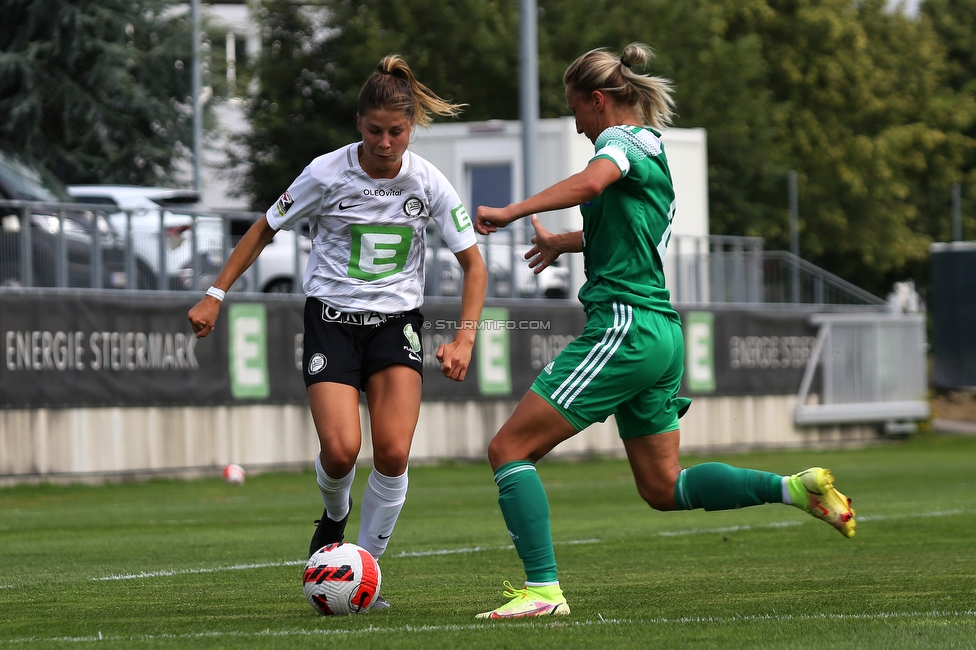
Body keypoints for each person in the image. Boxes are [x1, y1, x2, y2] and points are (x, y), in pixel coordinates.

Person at [472, 42, 856, 619]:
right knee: (664, 488)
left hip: (623, 326)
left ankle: (543, 591)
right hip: (659, 332)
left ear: (598, 100)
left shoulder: (618, 141)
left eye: (576, 109)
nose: (577, 125)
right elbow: (628, 231)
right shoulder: (656, 149)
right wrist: (562, 241)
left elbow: (592, 183)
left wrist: (513, 211)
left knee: (508, 449)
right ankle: (794, 489)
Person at [188, 54, 488, 610]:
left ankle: (365, 574)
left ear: (412, 127)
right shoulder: (326, 172)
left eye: (396, 131)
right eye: (374, 130)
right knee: (342, 451)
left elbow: (475, 263)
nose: (384, 141)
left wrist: (465, 336)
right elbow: (263, 228)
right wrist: (216, 293)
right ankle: (333, 517)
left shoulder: (429, 182)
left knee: (393, 452)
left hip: (396, 325)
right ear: (359, 125)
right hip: (330, 320)